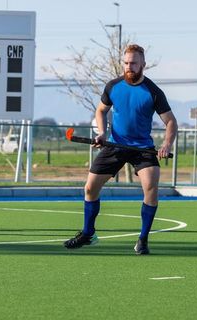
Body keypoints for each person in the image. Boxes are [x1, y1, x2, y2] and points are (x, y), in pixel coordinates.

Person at [63, 44, 178, 254]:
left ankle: (143, 239)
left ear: (143, 64)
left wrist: (166, 145)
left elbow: (171, 122)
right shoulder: (113, 86)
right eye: (126, 63)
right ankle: (88, 234)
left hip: (142, 148)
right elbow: (101, 110)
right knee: (90, 188)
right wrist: (102, 132)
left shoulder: (153, 92)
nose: (129, 67)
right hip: (115, 144)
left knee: (151, 186)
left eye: (133, 63)